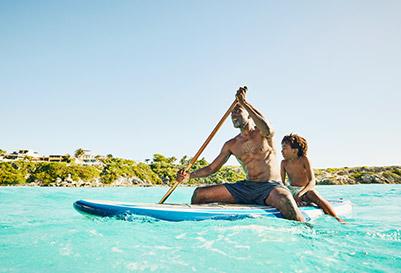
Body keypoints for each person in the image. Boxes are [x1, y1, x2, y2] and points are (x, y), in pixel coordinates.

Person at [176, 86, 305, 222]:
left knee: (285, 200)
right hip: (246, 187)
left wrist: (244, 103)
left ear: (249, 114)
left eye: (238, 111)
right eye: (232, 113)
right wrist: (189, 176)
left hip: (271, 186)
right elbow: (211, 169)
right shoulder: (231, 144)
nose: (234, 115)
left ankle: (305, 231)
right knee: (199, 194)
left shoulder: (262, 133)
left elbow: (267, 127)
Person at [280, 133, 344, 223]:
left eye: (284, 148)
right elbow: (282, 183)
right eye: (282, 148)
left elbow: (312, 181)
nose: (282, 151)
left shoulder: (304, 160)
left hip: (304, 190)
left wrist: (301, 193)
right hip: (291, 190)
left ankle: (336, 217)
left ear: (295, 150)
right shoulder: (283, 163)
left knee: (312, 193)